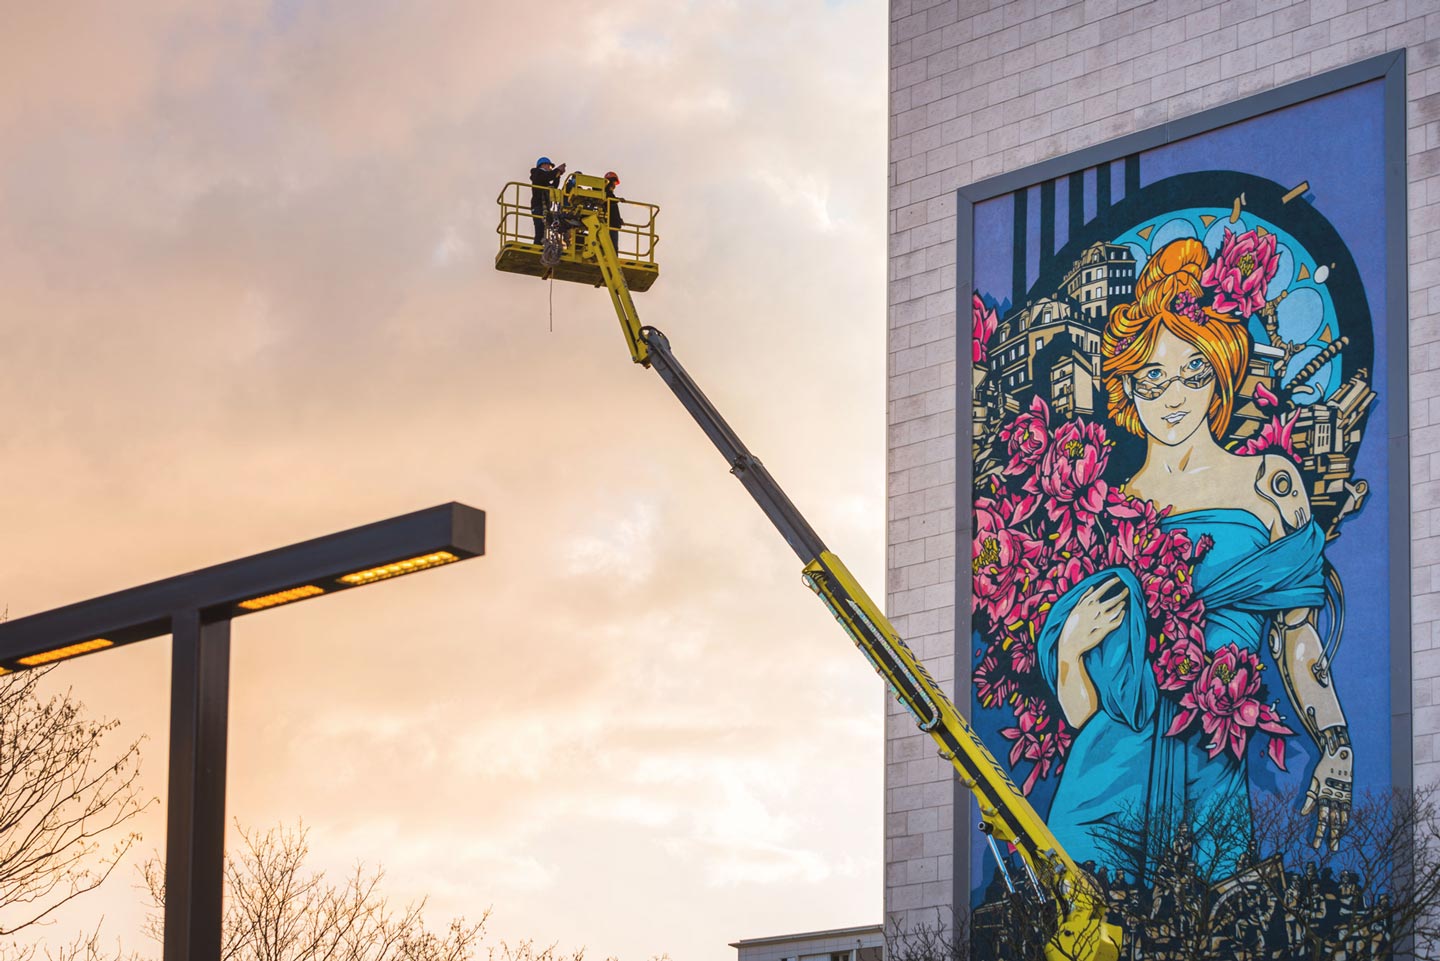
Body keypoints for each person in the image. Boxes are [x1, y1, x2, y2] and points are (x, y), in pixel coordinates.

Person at [1035, 237, 1353, 883]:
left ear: (1220, 374)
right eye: (1152, 376)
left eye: (1193, 372)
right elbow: (1080, 714)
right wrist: (1068, 649)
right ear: (1125, 383)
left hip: (1212, 765)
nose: (1173, 396)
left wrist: (1336, 744)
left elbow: (1296, 635)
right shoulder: (1109, 507)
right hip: (1102, 783)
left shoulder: (1270, 482)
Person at [529, 156, 566, 245]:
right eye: (549, 166)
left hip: (544, 206)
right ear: (543, 165)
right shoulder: (537, 174)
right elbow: (547, 177)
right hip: (538, 206)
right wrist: (557, 170)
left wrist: (558, 175)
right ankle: (537, 246)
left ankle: (540, 245)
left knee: (543, 230)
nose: (550, 168)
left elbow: (553, 187)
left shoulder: (543, 177)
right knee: (539, 228)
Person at [603, 171, 625, 256]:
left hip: (612, 224)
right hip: (610, 225)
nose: (615, 185)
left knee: (613, 247)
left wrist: (619, 220)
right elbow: (610, 205)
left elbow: (614, 211)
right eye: (614, 182)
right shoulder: (607, 194)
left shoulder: (610, 195)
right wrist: (619, 199)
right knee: (612, 248)